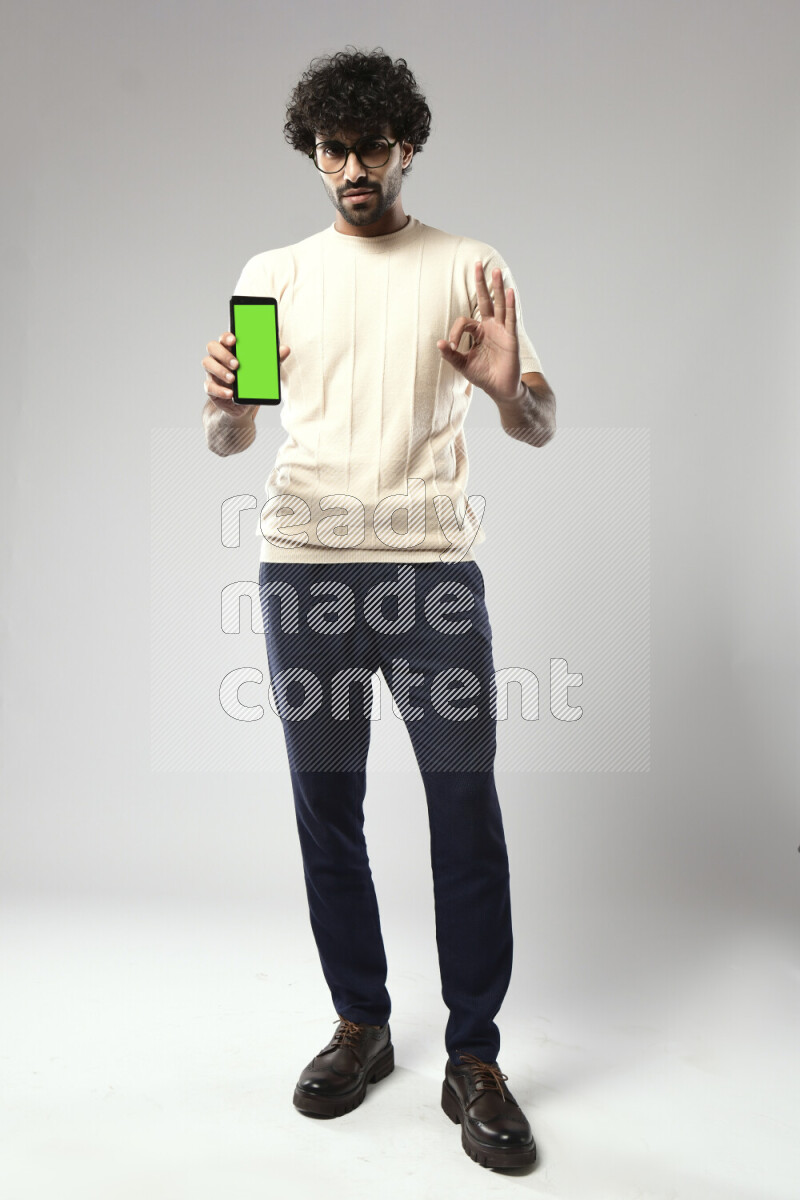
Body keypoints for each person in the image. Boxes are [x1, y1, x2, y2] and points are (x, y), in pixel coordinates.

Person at [201, 45, 556, 1171]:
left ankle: (474, 1056)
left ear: (407, 146)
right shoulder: (267, 277)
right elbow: (231, 436)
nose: (353, 167)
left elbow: (538, 422)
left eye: (372, 147)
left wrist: (508, 388)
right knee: (327, 804)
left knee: (462, 803)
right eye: (333, 149)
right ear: (313, 153)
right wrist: (224, 406)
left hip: (430, 574)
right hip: (302, 568)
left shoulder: (469, 266)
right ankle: (361, 1024)